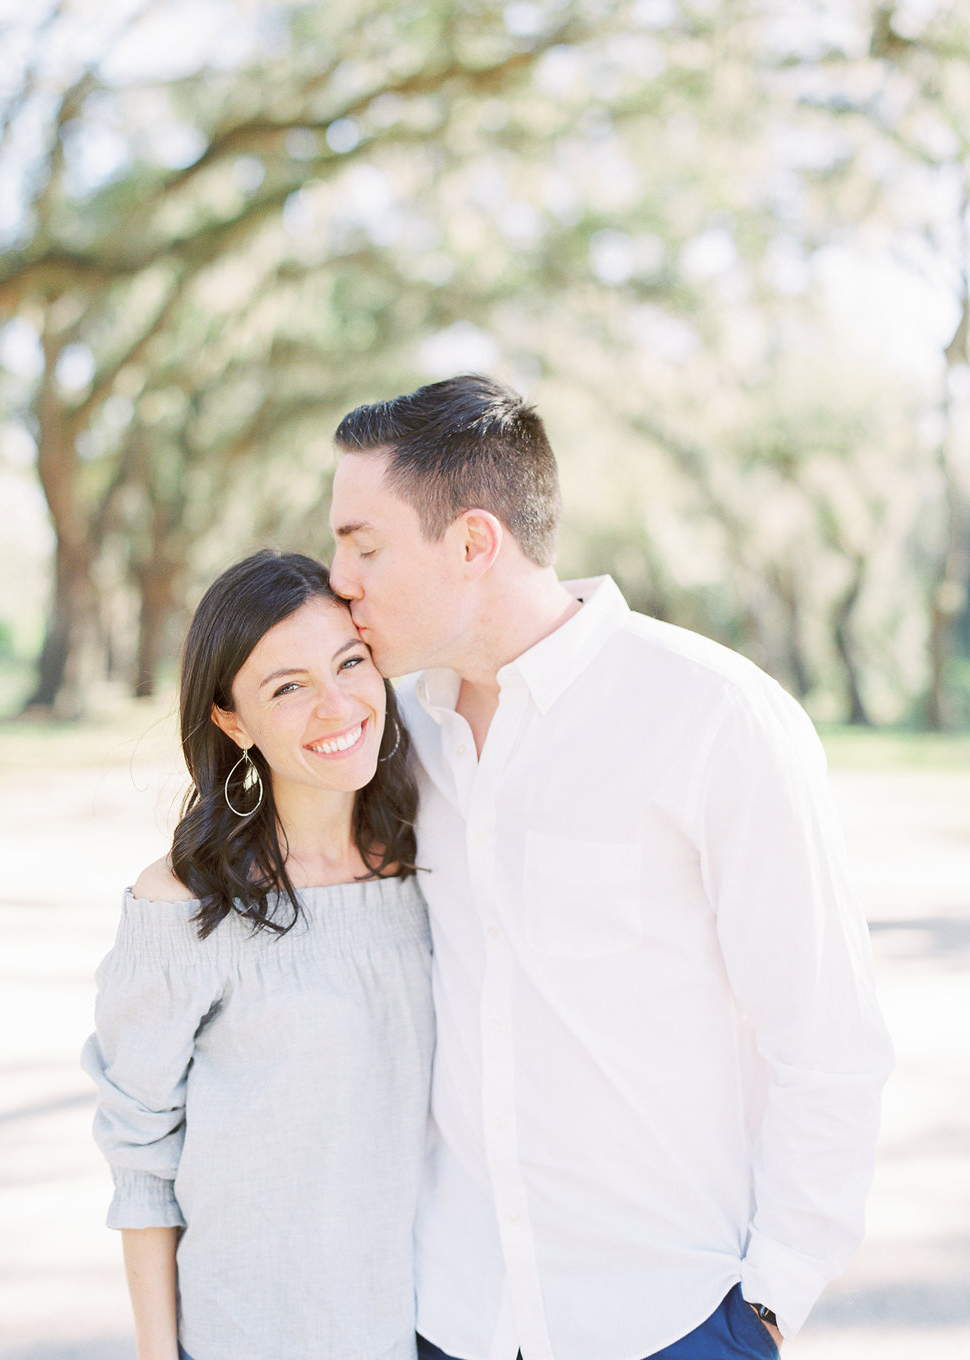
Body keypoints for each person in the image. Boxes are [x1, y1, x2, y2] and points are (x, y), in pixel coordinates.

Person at [328, 375, 894, 1360]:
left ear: (472, 542)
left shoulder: (715, 717)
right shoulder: (392, 732)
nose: (339, 578)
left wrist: (767, 1304)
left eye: (362, 544)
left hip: (668, 1319)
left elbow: (827, 1033)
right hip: (448, 1315)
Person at [82, 550, 433, 1360]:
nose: (337, 703)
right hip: (253, 1337)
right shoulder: (183, 907)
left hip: (429, 1331)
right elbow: (140, 1155)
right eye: (288, 686)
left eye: (350, 662)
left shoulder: (427, 863)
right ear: (232, 720)